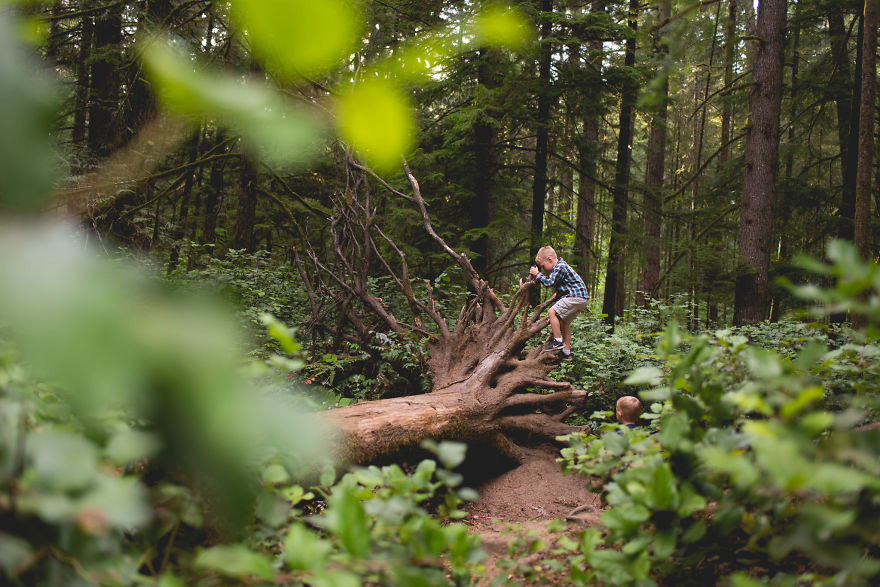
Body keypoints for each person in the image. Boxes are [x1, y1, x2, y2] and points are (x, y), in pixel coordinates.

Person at [529, 246, 589, 359]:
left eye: (543, 266)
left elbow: (549, 282)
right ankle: (566, 352)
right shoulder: (561, 266)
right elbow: (563, 285)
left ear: (549, 259)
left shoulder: (560, 267)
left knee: (551, 312)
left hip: (575, 297)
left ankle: (557, 341)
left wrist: (537, 274)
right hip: (581, 299)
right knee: (564, 323)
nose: (544, 269)